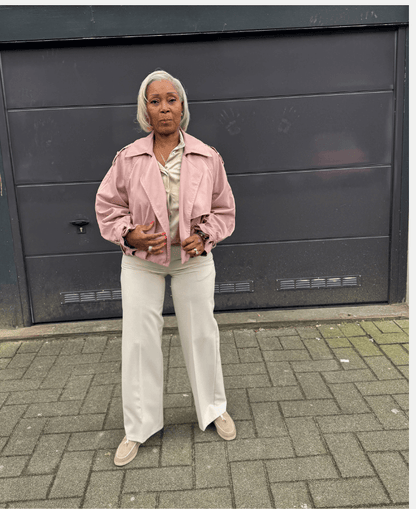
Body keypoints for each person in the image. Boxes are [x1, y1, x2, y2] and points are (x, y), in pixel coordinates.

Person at [95, 70, 236, 467]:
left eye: (171, 100)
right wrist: (129, 234)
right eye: (155, 101)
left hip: (192, 263)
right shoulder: (128, 158)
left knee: (202, 335)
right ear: (145, 110)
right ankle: (138, 427)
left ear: (182, 106)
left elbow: (224, 209)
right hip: (142, 264)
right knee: (139, 343)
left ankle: (214, 409)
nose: (164, 108)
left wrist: (204, 235)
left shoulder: (207, 156)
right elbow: (108, 206)